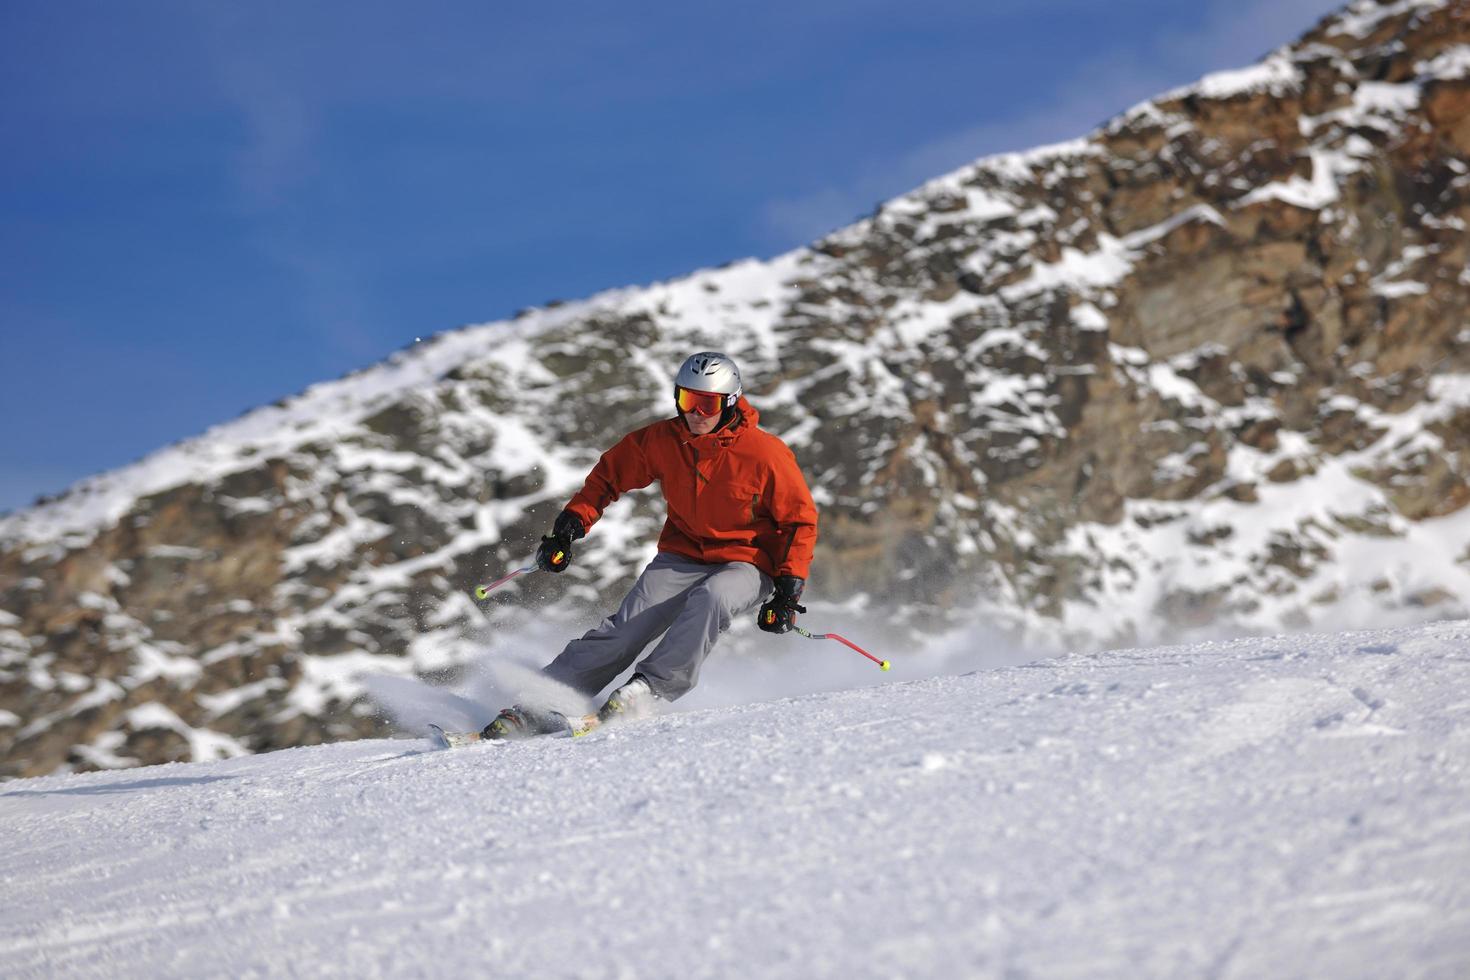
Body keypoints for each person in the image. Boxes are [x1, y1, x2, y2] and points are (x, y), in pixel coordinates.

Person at [484, 351, 819, 738]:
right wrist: (569, 526)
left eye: (706, 403)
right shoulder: (663, 440)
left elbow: (798, 521)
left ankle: (651, 687)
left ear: (729, 402)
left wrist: (788, 590)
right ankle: (545, 700)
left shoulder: (765, 453)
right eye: (685, 400)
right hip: (684, 554)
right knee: (626, 628)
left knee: (713, 598)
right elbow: (607, 478)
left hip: (748, 561)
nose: (694, 412)